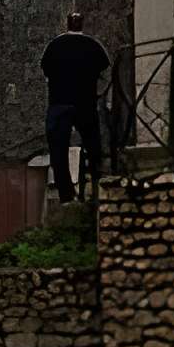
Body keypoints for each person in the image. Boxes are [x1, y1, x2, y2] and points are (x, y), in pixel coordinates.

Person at [40, 11, 110, 204]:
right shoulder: (93, 46)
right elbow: (104, 69)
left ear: (67, 23)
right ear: (82, 24)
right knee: (93, 145)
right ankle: (95, 186)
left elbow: (45, 70)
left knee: (58, 150)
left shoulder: (54, 46)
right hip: (85, 102)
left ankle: (66, 193)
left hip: (59, 103)